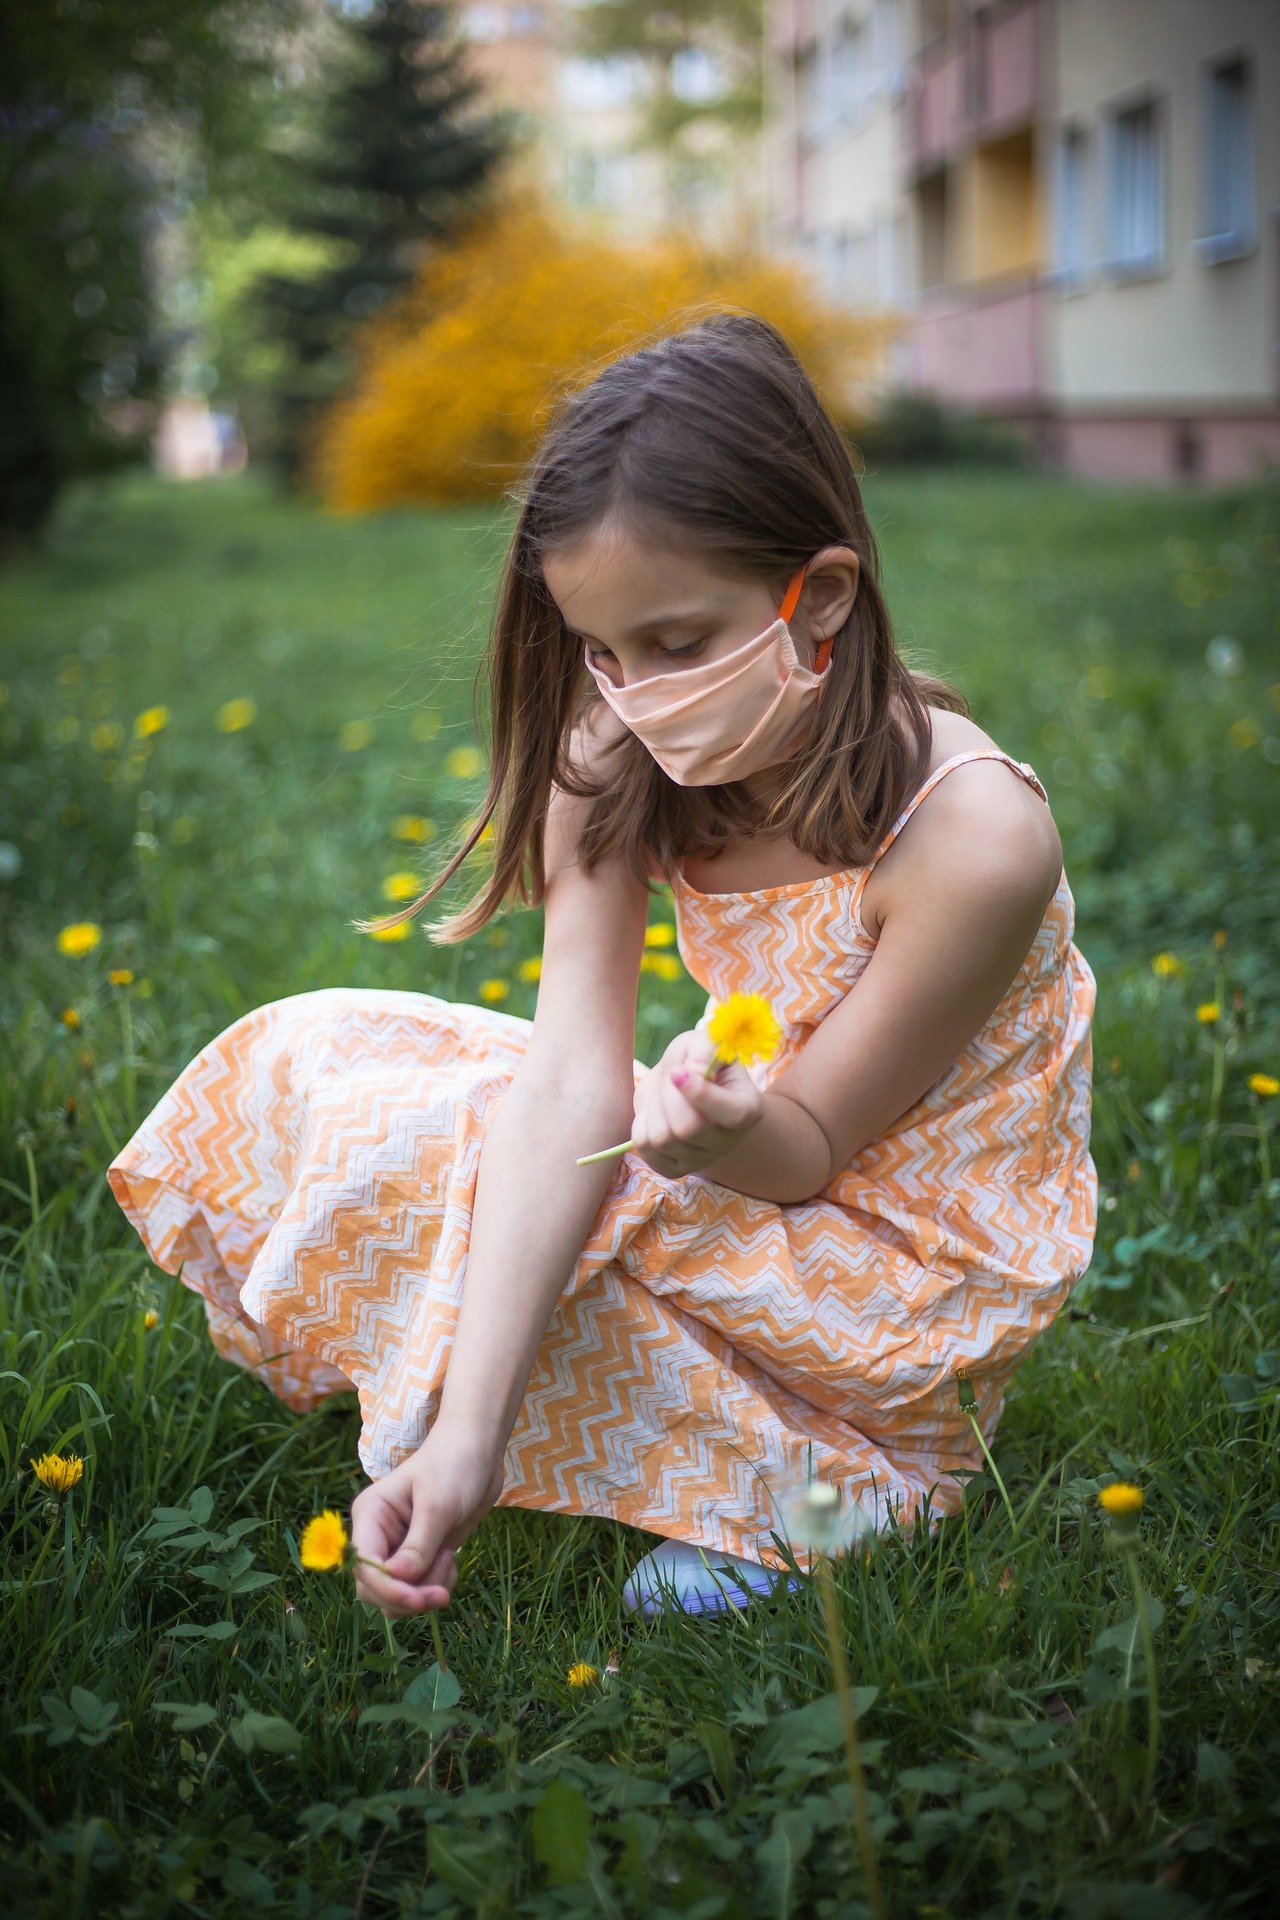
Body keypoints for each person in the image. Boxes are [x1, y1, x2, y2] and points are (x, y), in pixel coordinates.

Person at [106, 311, 1097, 1623]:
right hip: (758, 1165)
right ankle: (546, 1438)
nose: (634, 694)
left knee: (519, 1160)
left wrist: (714, 1136)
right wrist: (463, 1437)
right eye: (602, 648)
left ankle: (854, 1470)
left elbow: (806, 1152)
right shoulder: (619, 749)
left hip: (909, 1272)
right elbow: (570, 1080)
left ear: (826, 597)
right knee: (343, 1067)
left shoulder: (972, 839)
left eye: (679, 642)